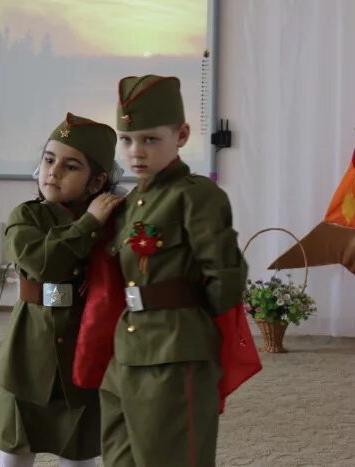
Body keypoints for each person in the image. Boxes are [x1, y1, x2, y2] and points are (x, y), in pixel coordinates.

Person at [99, 75, 248, 466]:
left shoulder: (196, 195)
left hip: (174, 350)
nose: (136, 152)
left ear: (181, 135)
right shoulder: (131, 202)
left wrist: (191, 324)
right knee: (120, 457)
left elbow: (225, 278)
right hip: (128, 348)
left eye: (150, 139)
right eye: (127, 140)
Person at [0, 113, 122, 467]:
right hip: (29, 348)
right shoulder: (27, 216)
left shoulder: (113, 221)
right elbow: (44, 263)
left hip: (83, 347)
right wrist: (89, 224)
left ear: (96, 181)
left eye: (70, 166)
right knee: (16, 448)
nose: (54, 172)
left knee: (78, 451)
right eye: (49, 160)